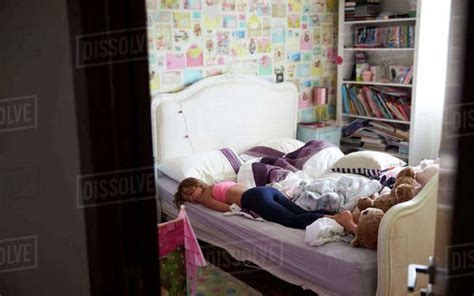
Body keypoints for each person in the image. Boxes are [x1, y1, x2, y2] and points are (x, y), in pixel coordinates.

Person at [174, 177, 357, 231]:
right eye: (188, 199)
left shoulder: (205, 195)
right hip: (264, 190)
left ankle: (339, 218)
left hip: (253, 199)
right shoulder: (219, 183)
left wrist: (203, 202)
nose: (192, 199)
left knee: (292, 220)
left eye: (190, 193)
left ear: (197, 185)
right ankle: (343, 215)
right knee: (299, 211)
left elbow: (226, 208)